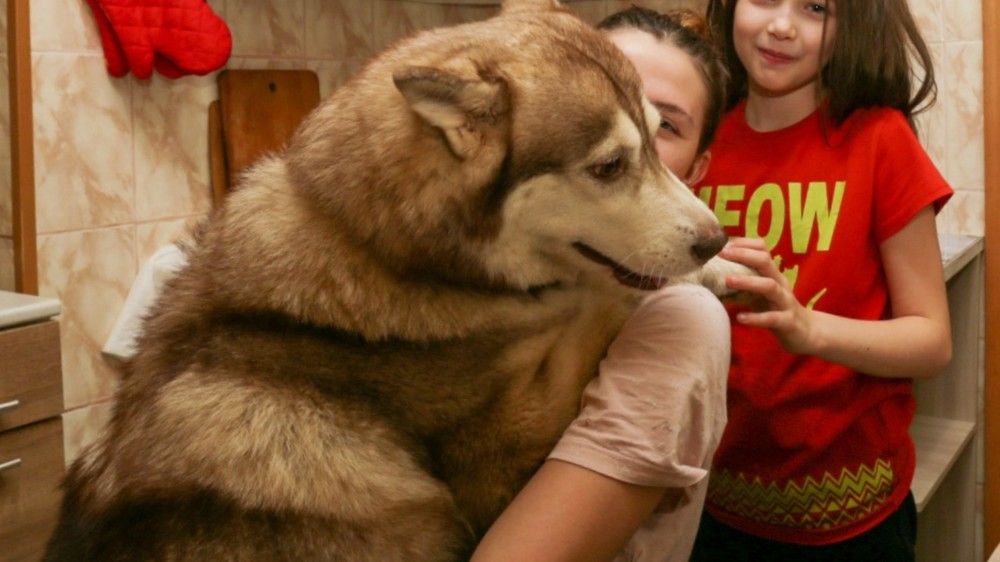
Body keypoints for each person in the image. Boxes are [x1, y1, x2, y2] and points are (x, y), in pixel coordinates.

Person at [688, 1, 953, 561]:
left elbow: (931, 341)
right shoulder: (698, 139)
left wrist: (807, 329)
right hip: (713, 507)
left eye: (815, 7)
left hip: (858, 524)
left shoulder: (880, 139)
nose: (782, 26)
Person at [470, 7, 732, 562]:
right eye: (602, 103)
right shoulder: (507, 278)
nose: (626, 135)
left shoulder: (683, 317)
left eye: (664, 125)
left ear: (696, 169)